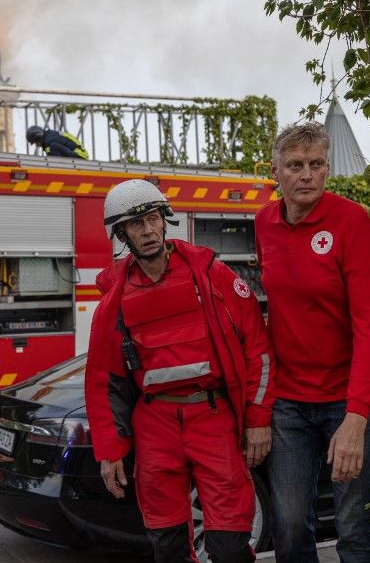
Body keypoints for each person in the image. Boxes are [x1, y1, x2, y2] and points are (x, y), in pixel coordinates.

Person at [85, 178, 275, 563]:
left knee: (229, 545)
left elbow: (258, 350)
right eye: (136, 225)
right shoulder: (115, 301)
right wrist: (109, 450)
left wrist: (258, 419)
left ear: (164, 220)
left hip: (213, 416)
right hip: (156, 425)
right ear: (121, 233)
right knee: (166, 544)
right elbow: (105, 380)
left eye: (153, 219)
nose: (148, 230)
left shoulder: (212, 276)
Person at [255, 122, 370, 563]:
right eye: (295, 165)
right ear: (277, 172)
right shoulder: (264, 224)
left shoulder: (352, 221)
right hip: (289, 403)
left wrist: (355, 418)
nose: (306, 174)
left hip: (347, 402)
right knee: (290, 527)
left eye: (316, 164)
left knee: (354, 531)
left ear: (328, 169)